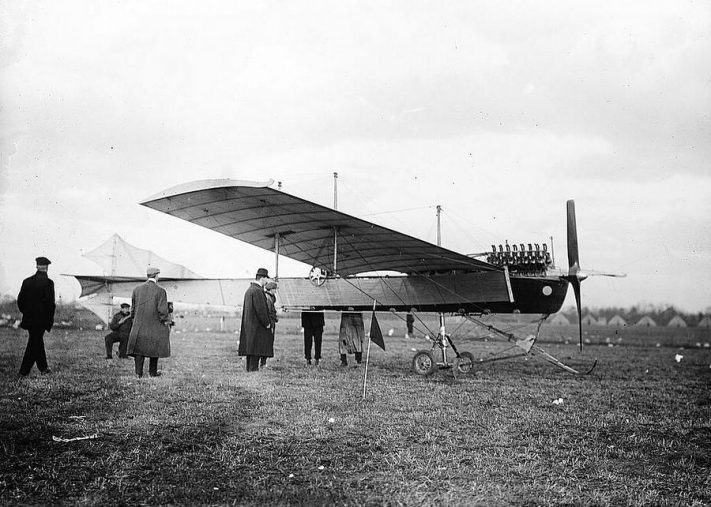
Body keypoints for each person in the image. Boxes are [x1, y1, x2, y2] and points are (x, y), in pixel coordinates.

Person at [126, 267, 171, 378]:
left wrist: (134, 320)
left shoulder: (137, 289)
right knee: (154, 349)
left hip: (139, 325)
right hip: (154, 325)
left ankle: (138, 373)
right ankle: (152, 372)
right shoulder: (161, 291)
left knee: (139, 350)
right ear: (156, 276)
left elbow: (133, 309)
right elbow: (162, 310)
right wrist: (166, 320)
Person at [17, 256, 56, 376]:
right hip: (42, 320)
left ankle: (43, 368)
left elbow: (20, 301)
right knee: (35, 342)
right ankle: (25, 371)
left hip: (29, 319)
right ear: (47, 268)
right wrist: (49, 320)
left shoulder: (27, 281)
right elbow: (51, 305)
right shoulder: (49, 283)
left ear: (37, 266)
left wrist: (27, 313)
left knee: (35, 341)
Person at [238, 268, 272, 372]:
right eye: (266, 278)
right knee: (256, 349)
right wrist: (267, 323)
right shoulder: (257, 291)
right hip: (257, 327)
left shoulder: (250, 290)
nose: (267, 281)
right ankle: (253, 370)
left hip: (249, 326)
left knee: (250, 350)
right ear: (262, 278)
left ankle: (250, 370)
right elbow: (261, 310)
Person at [261, 281, 278, 369]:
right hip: (269, 324)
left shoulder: (269, 297)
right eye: (275, 289)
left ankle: (263, 363)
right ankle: (263, 364)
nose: (275, 291)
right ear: (271, 289)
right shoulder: (268, 299)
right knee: (267, 343)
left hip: (271, 323)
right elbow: (268, 312)